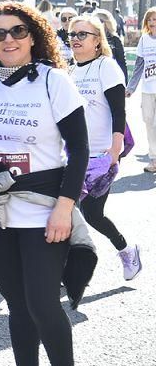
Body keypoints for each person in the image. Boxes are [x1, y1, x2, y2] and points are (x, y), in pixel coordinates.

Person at [0, 2, 88, 366]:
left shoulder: (53, 81)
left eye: (17, 31)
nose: (8, 40)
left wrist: (65, 205)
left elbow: (78, 148)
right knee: (18, 307)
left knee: (42, 304)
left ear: (34, 35)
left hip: (44, 212)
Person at [69, 15, 141, 280]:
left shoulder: (106, 67)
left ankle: (126, 250)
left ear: (97, 40)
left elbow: (118, 112)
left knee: (93, 214)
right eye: (72, 35)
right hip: (73, 155)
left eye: (82, 34)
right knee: (68, 211)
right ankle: (67, 270)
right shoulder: (70, 70)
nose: (75, 39)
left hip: (100, 154)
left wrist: (114, 152)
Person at [128, 7, 156, 173]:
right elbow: (139, 66)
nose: (152, 23)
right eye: (149, 20)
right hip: (147, 89)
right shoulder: (144, 40)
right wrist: (131, 88)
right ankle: (153, 160)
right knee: (149, 123)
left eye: (155, 20)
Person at [93, 9, 127, 78]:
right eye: (94, 21)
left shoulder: (115, 39)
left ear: (107, 23)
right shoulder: (89, 38)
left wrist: (124, 83)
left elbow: (121, 63)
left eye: (100, 21)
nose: (96, 24)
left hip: (110, 77)